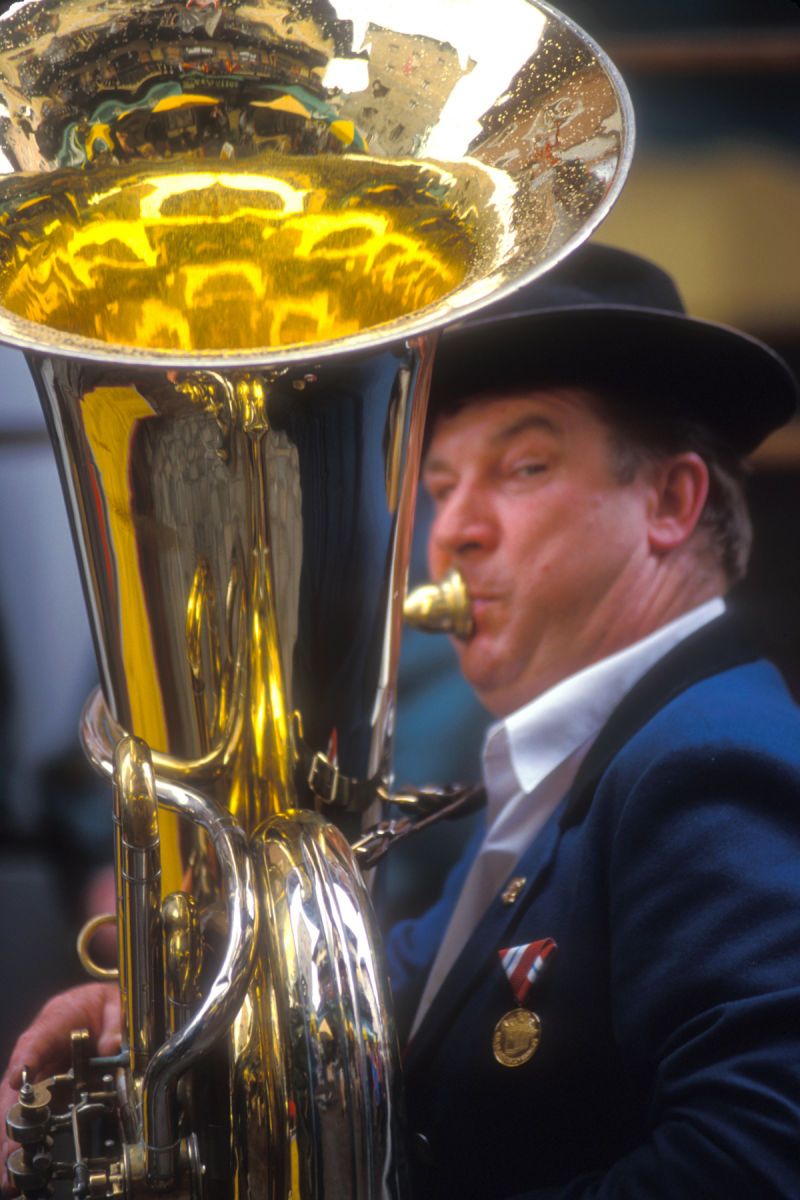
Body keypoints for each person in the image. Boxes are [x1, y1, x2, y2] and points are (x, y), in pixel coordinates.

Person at [3, 244, 800, 1200]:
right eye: (442, 485)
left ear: (669, 502)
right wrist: (166, 1027)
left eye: (525, 466)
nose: (454, 531)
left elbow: (755, 1165)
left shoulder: (706, 760)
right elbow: (384, 1015)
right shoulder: (573, 769)